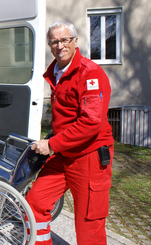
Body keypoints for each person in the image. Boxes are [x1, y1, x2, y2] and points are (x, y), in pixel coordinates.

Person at [26, 21, 114, 244]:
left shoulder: (89, 73)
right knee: (34, 204)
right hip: (65, 153)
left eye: (65, 40)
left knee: (88, 225)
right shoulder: (56, 72)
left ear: (75, 41)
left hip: (89, 157)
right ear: (50, 45)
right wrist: (52, 139)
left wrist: (52, 145)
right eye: (54, 41)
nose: (60, 45)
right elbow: (66, 116)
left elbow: (91, 122)